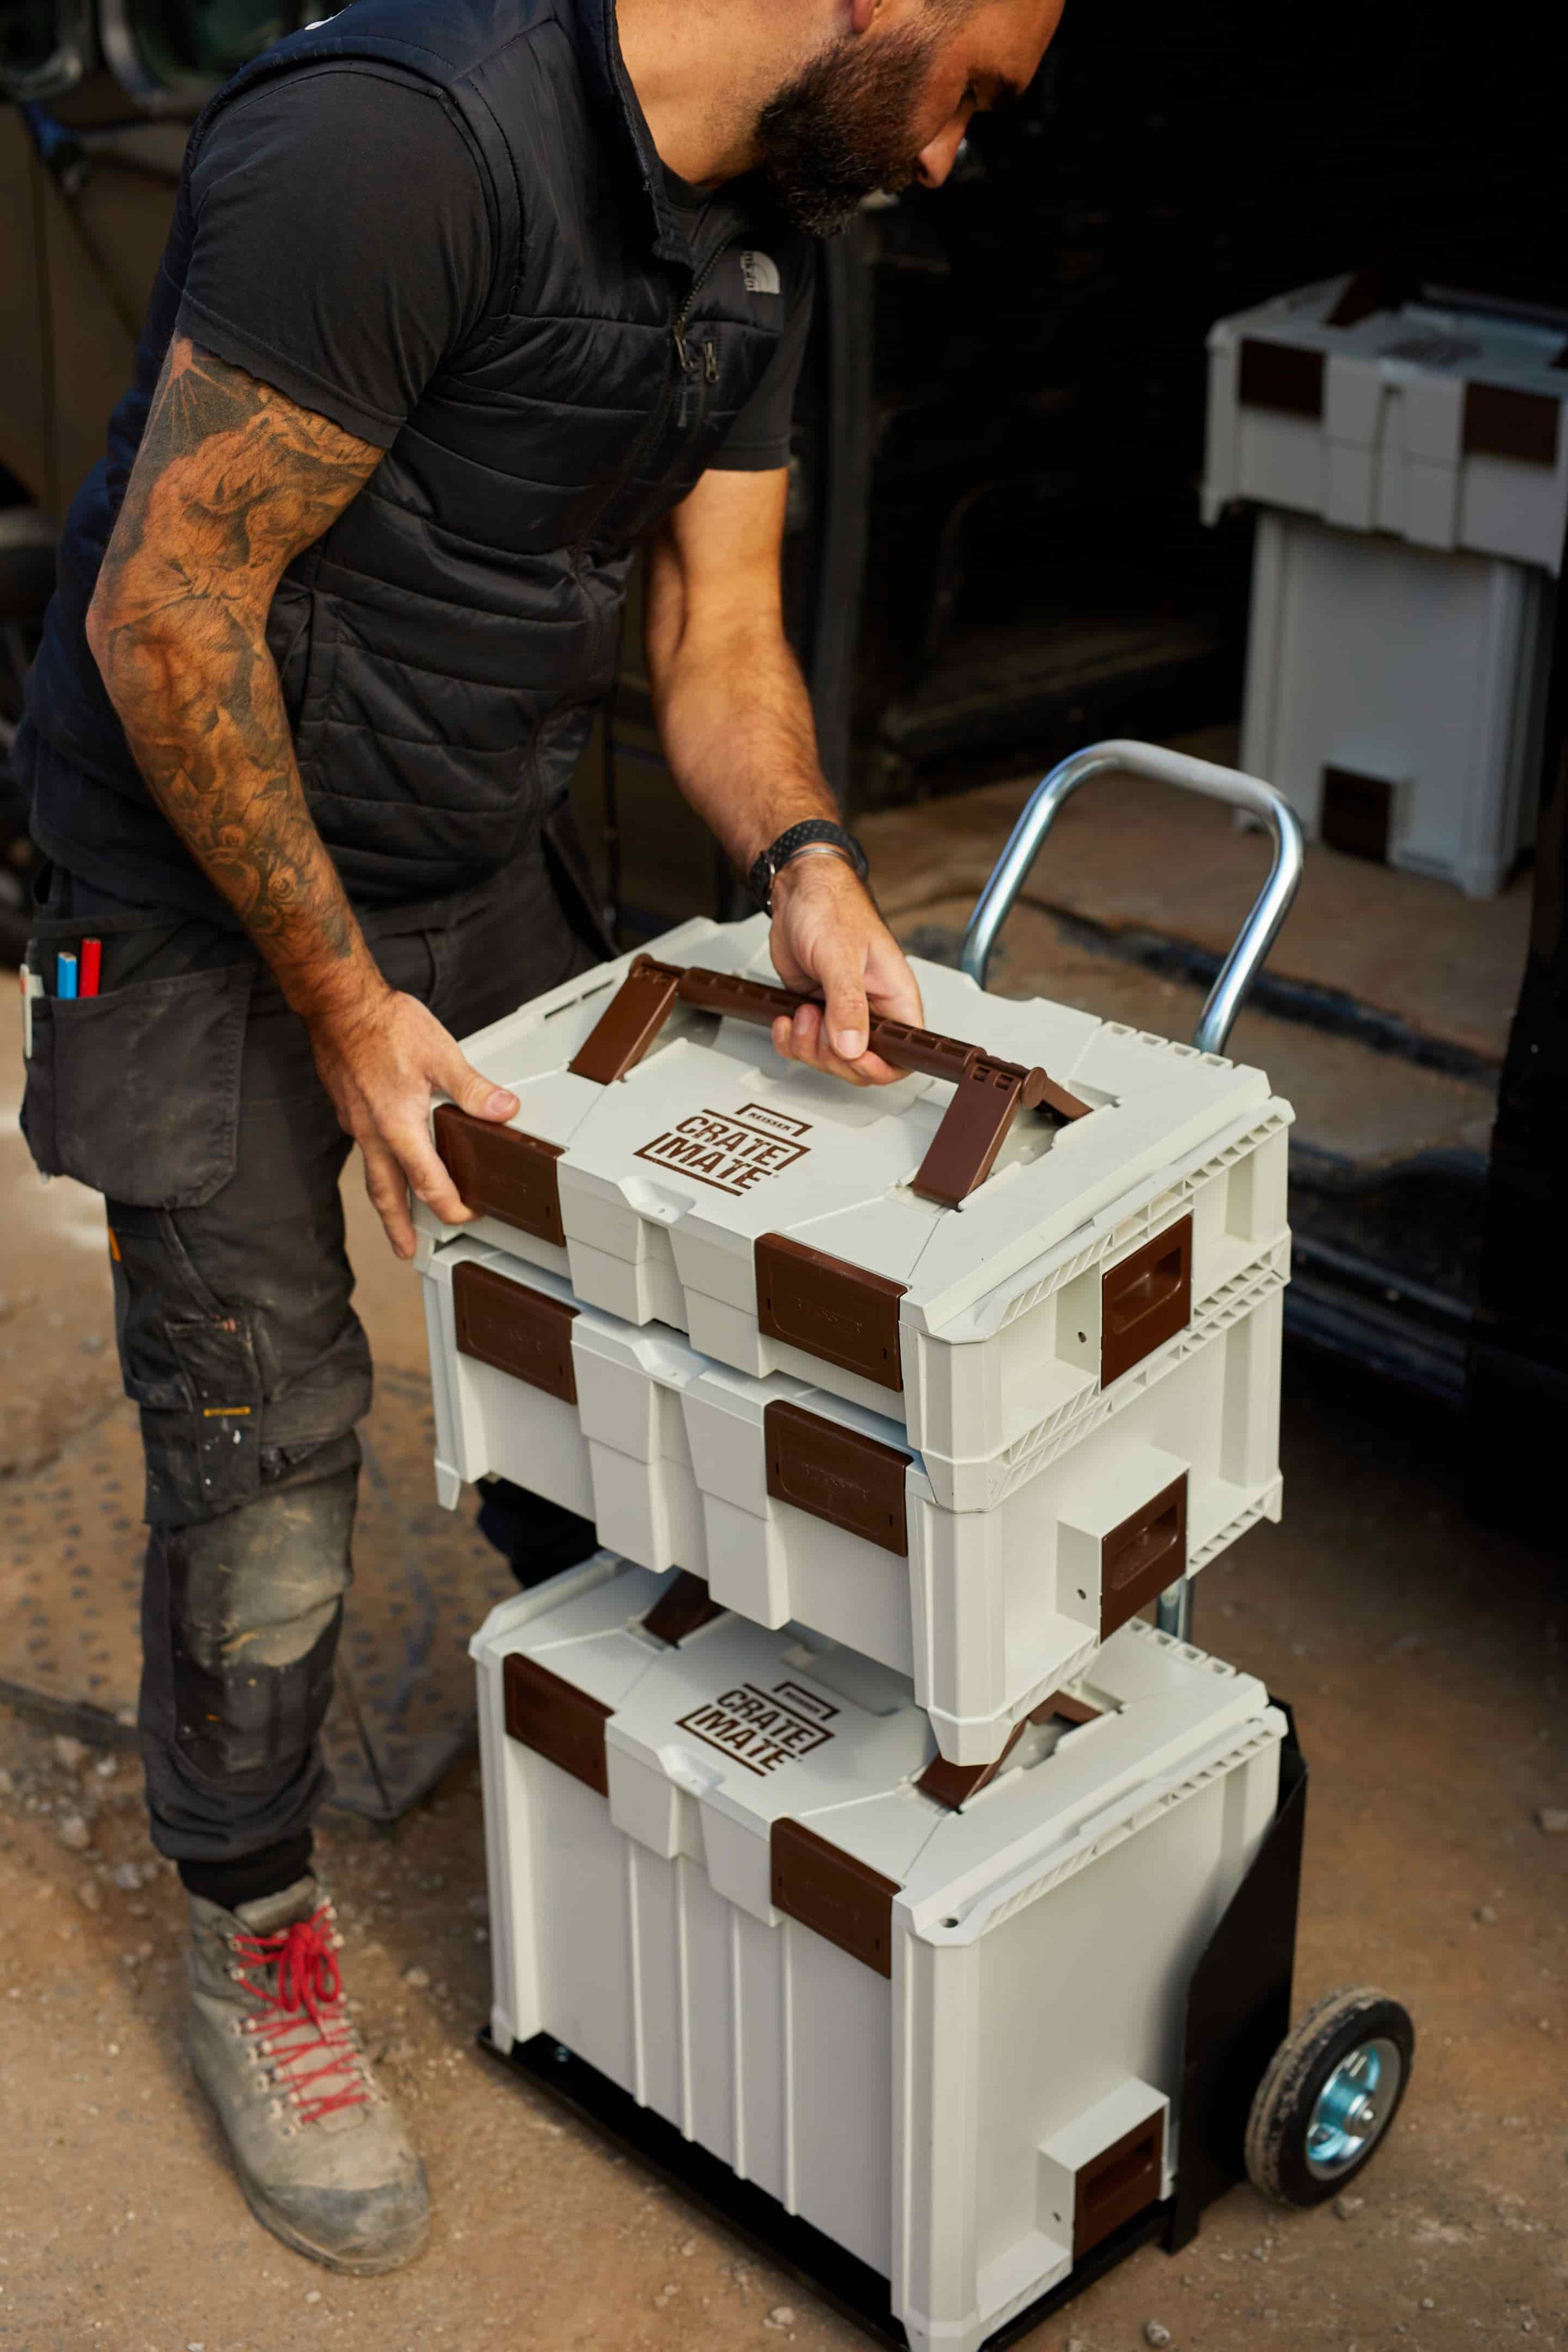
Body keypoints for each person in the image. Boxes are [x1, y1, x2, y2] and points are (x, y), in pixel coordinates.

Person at [15, 0, 1064, 2276]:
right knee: (268, 1455)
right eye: (987, 83)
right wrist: (341, 1002)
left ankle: (633, 1789)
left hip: (460, 839)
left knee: (619, 1347)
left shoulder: (767, 231)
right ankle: (252, 1921)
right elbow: (161, 609)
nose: (969, 152)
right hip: (193, 881)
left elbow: (721, 627)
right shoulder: (399, 146)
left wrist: (799, 857)